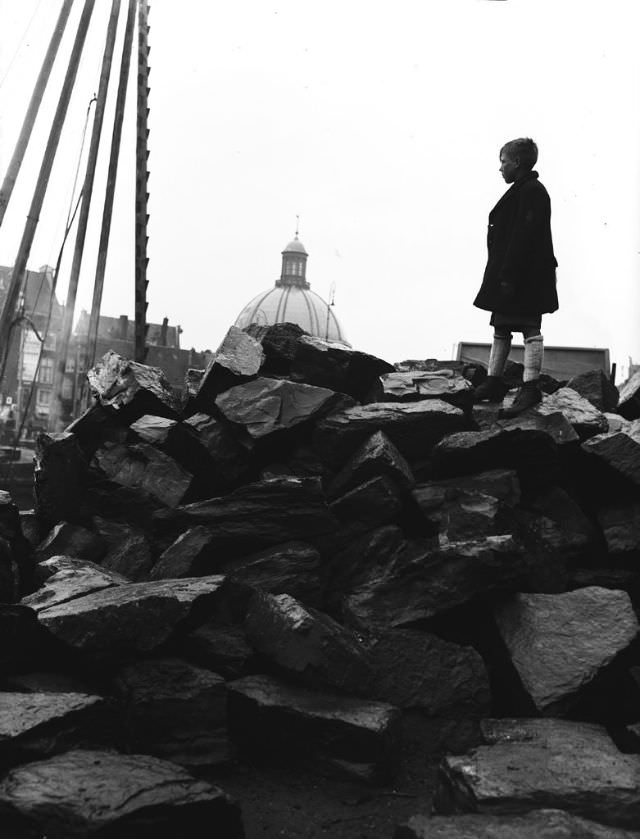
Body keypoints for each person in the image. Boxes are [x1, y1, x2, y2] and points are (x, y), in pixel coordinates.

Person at [472, 137, 558, 416]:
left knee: (529, 326)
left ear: (517, 162)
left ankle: (531, 387)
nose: (500, 168)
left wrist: (508, 275)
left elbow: (525, 236)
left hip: (524, 274)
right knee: (501, 325)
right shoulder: (524, 189)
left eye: (504, 162)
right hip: (510, 272)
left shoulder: (532, 190)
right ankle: (494, 381)